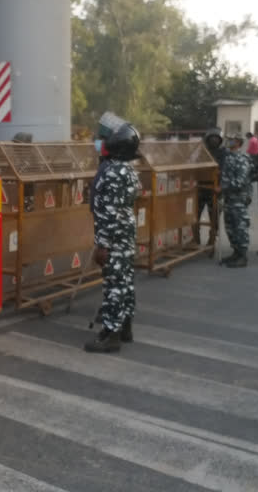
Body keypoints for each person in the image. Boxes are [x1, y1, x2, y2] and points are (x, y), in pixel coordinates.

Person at [84, 120, 141, 353]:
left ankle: (111, 333)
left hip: (114, 236)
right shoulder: (126, 169)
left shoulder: (114, 171)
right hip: (124, 235)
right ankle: (125, 326)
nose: (103, 144)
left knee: (114, 284)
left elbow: (110, 211)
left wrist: (103, 245)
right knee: (125, 281)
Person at [217, 134, 253, 268]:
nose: (228, 141)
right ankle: (236, 252)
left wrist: (222, 187)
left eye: (231, 139)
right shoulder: (228, 157)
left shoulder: (242, 159)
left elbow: (240, 181)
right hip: (229, 198)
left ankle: (242, 256)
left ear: (238, 142)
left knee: (240, 227)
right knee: (230, 226)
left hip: (239, 198)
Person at [196, 128, 227, 244]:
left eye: (216, 139)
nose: (214, 141)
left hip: (215, 189)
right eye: (212, 138)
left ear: (220, 140)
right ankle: (196, 238)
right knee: (195, 215)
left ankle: (212, 239)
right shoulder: (202, 152)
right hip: (201, 187)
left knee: (214, 216)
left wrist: (221, 186)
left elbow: (225, 172)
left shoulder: (224, 153)